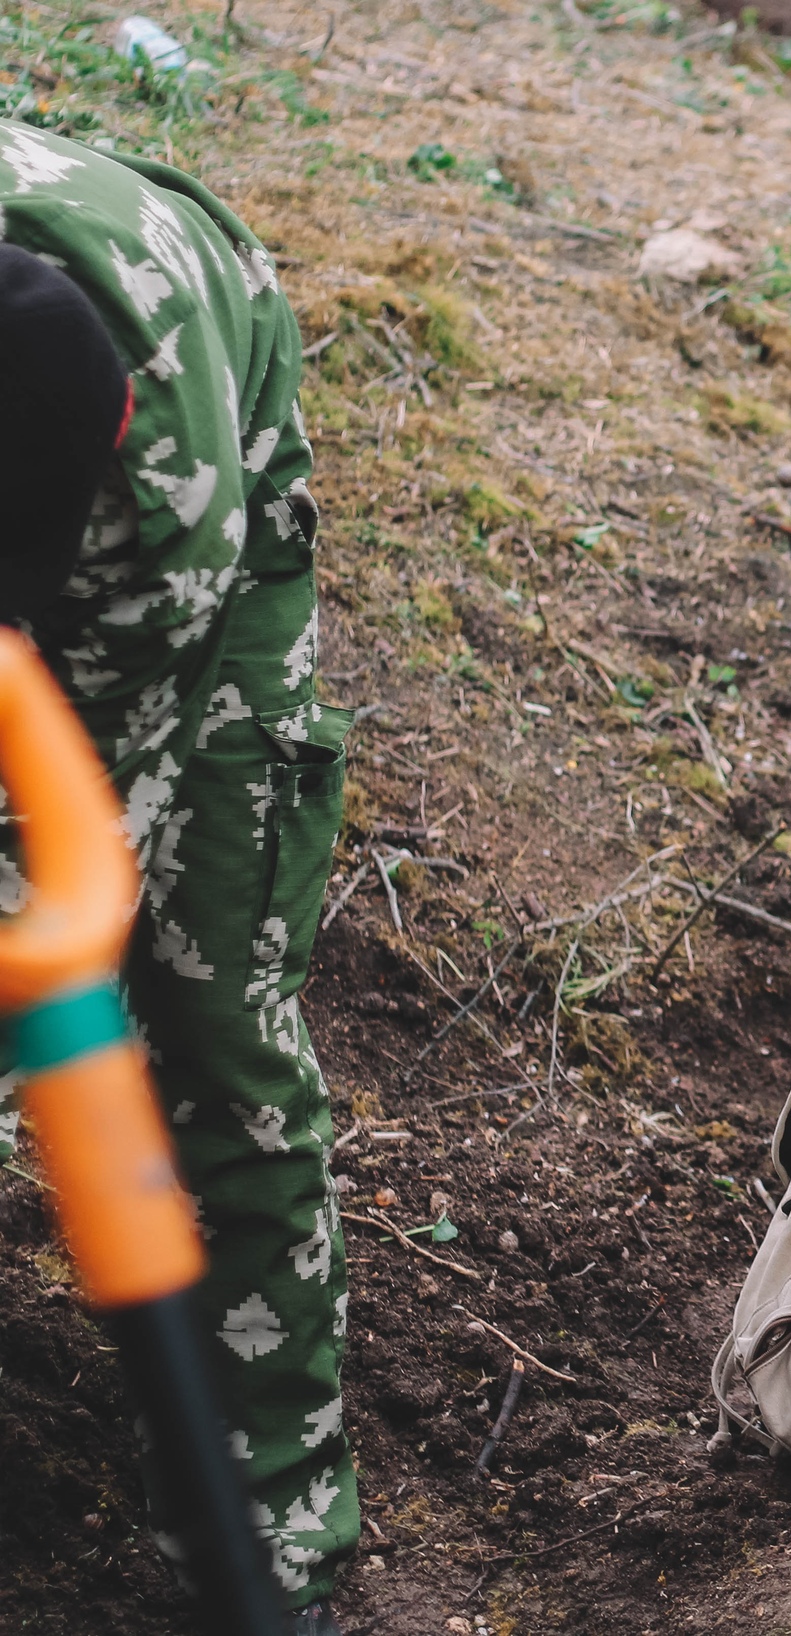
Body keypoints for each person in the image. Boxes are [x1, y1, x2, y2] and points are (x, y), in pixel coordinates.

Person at [0, 124, 353, 1632]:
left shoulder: (147, 464)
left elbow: (64, 889)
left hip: (190, 477)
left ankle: (264, 1543)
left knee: (208, 1001)